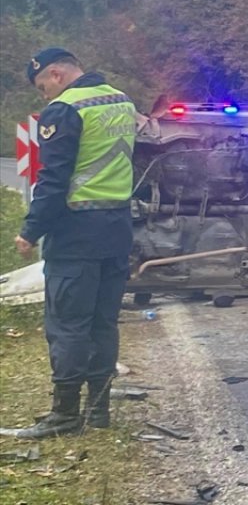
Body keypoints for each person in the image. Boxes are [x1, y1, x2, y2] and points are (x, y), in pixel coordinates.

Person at [9, 48, 137, 438]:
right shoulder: (121, 100)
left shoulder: (65, 109)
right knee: (103, 322)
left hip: (76, 232)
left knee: (67, 324)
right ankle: (98, 413)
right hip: (117, 229)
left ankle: (65, 416)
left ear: (57, 74)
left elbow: (53, 180)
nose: (43, 95)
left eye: (42, 85)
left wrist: (31, 230)